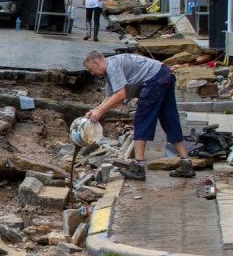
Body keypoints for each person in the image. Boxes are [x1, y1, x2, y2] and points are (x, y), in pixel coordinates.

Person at [83, 51, 196, 180]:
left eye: (91, 69)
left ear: (97, 62)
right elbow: (110, 97)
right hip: (165, 74)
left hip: (154, 80)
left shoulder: (112, 67)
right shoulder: (110, 67)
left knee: (142, 121)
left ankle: (138, 167)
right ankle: (186, 163)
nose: (92, 73)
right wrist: (95, 110)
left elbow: (121, 95)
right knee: (169, 119)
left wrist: (100, 112)